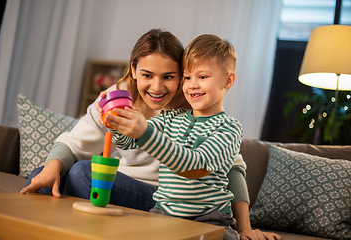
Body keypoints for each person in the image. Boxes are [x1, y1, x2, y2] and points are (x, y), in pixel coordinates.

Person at [21, 29, 279, 240]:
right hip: (157, 203)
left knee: (80, 173)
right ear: (134, 70)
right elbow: (101, 139)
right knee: (42, 176)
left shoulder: (205, 113)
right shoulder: (126, 97)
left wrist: (245, 228)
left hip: (179, 202)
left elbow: (224, 167)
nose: (157, 87)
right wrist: (112, 121)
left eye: (170, 76)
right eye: (147, 75)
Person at [103, 34, 280, 240]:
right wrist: (116, 122)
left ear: (228, 80)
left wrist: (145, 132)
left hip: (208, 218)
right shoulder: (170, 118)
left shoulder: (229, 129)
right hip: (163, 213)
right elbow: (127, 142)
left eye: (202, 77)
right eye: (187, 77)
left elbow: (194, 167)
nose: (192, 85)